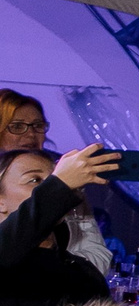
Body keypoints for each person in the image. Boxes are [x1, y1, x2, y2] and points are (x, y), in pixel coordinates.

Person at [0, 90, 114, 276]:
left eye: (38, 126)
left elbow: (97, 259)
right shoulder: (59, 188)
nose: (30, 134)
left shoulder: (65, 187)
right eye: (18, 126)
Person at [1, 146, 115, 306]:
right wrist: (59, 185)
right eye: (34, 180)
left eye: (52, 178)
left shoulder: (83, 271)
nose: (46, 186)